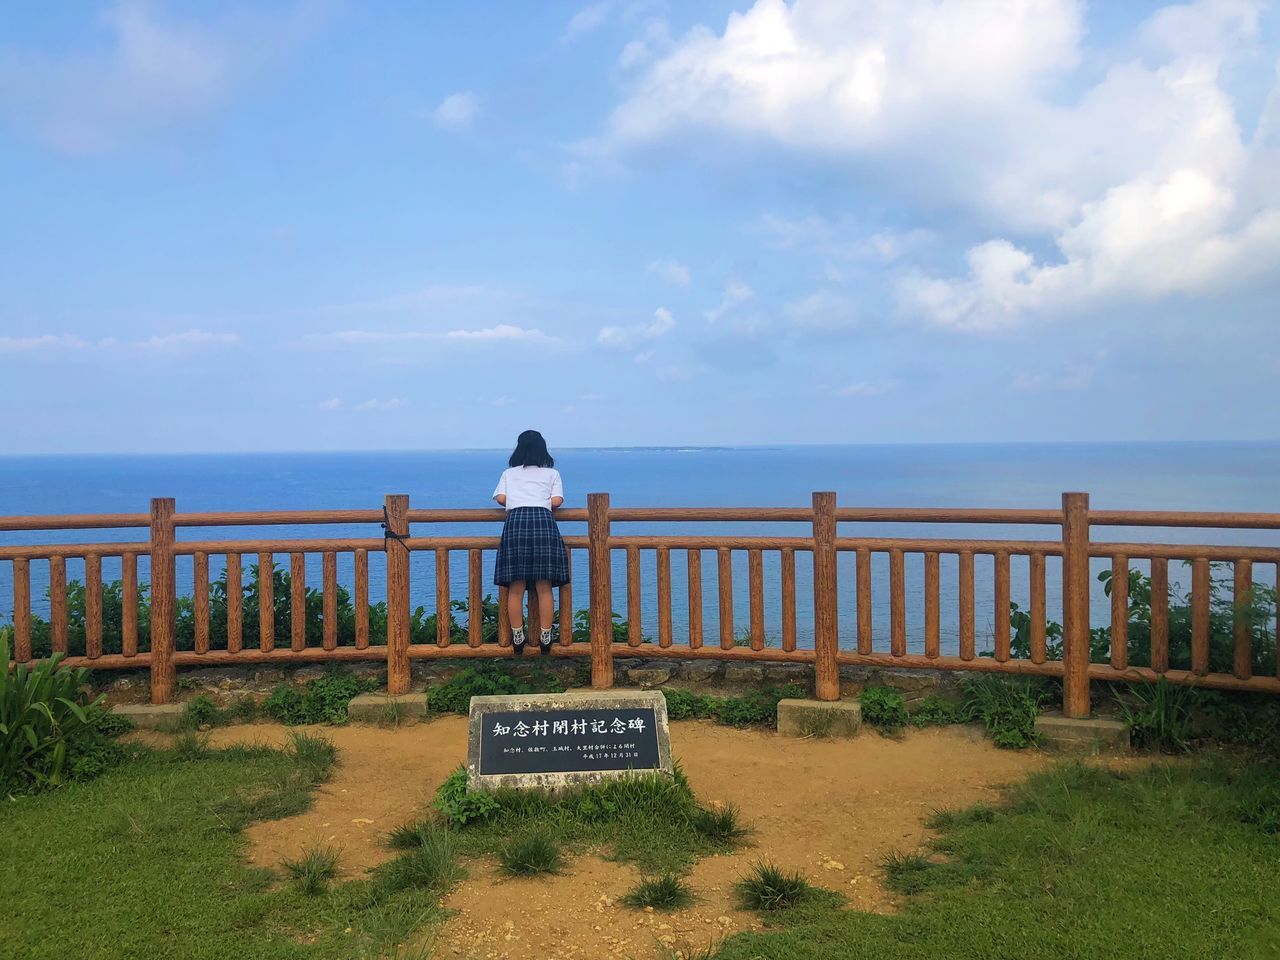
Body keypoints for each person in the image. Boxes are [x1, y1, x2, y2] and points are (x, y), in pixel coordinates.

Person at [492, 430, 569, 655]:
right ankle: (545, 635)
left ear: (519, 449)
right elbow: (557, 501)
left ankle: (518, 634)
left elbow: (501, 499)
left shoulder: (509, 473)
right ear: (542, 450)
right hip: (543, 523)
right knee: (543, 586)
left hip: (516, 523)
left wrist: (519, 498)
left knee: (516, 587)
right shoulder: (552, 474)